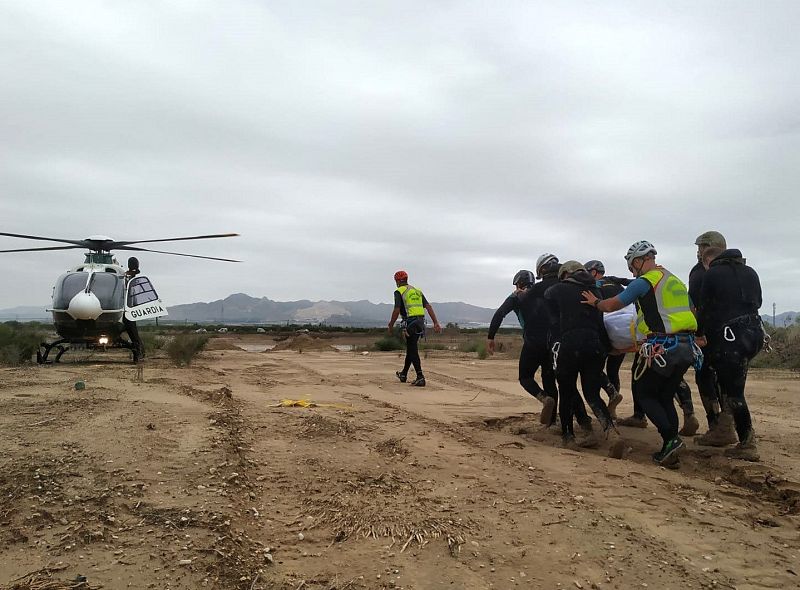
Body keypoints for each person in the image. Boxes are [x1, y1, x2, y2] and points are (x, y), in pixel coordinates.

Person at [582, 241, 699, 468]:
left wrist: (595, 302)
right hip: (686, 346)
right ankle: (669, 445)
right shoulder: (674, 280)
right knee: (665, 397)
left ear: (637, 261)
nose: (632, 272)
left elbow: (612, 305)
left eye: (631, 267)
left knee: (645, 395)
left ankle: (671, 441)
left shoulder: (645, 281)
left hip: (661, 347)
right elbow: (692, 310)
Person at [545, 261, 624, 457]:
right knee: (592, 393)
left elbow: (548, 298)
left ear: (565, 275)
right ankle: (612, 434)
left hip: (570, 344)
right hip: (594, 345)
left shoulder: (559, 289)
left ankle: (568, 437)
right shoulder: (595, 292)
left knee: (567, 391)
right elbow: (601, 322)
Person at [697, 246, 764, 460]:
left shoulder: (712, 273)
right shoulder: (751, 271)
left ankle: (747, 442)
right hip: (754, 333)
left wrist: (699, 333)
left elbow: (704, 307)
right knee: (733, 383)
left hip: (730, 336)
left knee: (734, 391)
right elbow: (759, 302)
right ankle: (727, 429)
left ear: (709, 261)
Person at [528, 253, 592, 430]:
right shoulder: (572, 284)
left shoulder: (541, 289)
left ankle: (560, 427)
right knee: (571, 385)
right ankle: (585, 422)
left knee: (558, 383)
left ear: (542, 269)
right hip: (575, 339)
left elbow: (529, 310)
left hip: (551, 342)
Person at [487, 270, 556, 423]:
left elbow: (499, 314)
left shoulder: (516, 296)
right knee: (549, 379)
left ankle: (544, 399)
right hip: (551, 342)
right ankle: (552, 422)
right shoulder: (544, 292)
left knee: (525, 377)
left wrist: (491, 337)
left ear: (519, 283)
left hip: (532, 342)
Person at [691, 231, 738, 446]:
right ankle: (729, 425)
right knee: (728, 381)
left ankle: (716, 427)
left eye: (701, 247)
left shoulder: (701, 273)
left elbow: (698, 306)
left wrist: (696, 333)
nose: (699, 252)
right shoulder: (737, 269)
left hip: (709, 334)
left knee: (704, 377)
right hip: (736, 334)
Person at [584, 260, 628, 418]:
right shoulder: (617, 285)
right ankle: (613, 406)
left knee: (594, 369)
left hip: (604, 334)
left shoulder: (594, 288)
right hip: (623, 334)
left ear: (594, 272)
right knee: (613, 370)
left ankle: (609, 396)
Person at [388, 270, 442, 387]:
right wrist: (436, 322)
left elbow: (397, 310)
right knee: (411, 348)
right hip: (420, 322)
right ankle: (404, 374)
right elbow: (428, 306)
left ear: (397, 281)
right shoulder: (417, 291)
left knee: (412, 349)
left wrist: (390, 324)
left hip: (410, 323)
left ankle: (420, 376)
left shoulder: (399, 291)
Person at [123, 257, 145, 362]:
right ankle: (138, 350)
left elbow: (135, 272)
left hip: (123, 311)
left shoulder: (127, 276)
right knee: (132, 331)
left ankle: (138, 351)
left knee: (132, 330)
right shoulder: (126, 275)